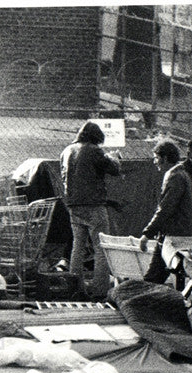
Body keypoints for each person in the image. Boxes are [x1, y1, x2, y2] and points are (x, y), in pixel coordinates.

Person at [60, 120, 121, 299]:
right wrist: (114, 157)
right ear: (97, 137)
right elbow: (114, 170)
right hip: (94, 204)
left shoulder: (66, 151)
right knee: (100, 247)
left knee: (77, 247)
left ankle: (75, 288)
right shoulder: (94, 150)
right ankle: (100, 291)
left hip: (73, 204)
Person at [139, 140, 192, 285]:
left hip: (172, 236)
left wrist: (147, 233)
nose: (155, 162)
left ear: (164, 158)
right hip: (181, 235)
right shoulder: (183, 174)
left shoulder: (174, 176)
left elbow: (165, 209)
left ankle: (142, 306)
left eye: (156, 158)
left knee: (152, 280)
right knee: (169, 278)